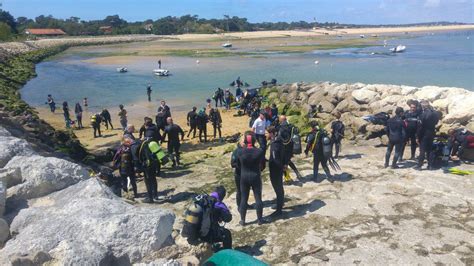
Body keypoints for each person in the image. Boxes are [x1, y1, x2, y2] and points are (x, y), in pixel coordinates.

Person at [238, 131, 267, 226]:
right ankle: (260, 220)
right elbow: (263, 165)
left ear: (245, 140)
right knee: (258, 198)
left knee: (243, 199)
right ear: (255, 140)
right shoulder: (259, 151)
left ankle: (243, 220)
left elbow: (237, 164)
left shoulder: (240, 151)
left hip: (244, 176)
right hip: (255, 176)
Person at [269, 126, 291, 217]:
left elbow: (274, 158)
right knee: (280, 188)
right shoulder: (281, 141)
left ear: (272, 133)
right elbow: (285, 153)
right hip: (280, 168)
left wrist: (281, 167)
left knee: (278, 189)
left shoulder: (274, 144)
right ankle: (280, 204)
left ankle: (278, 210)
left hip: (275, 170)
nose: (267, 135)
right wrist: (285, 164)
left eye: (268, 133)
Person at [415, 100, 439, 170]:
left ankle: (419, 166)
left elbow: (420, 126)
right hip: (431, 133)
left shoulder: (424, 114)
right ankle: (430, 165)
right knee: (430, 150)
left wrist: (417, 136)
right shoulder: (435, 113)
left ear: (424, 106)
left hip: (424, 134)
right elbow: (436, 122)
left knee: (422, 150)